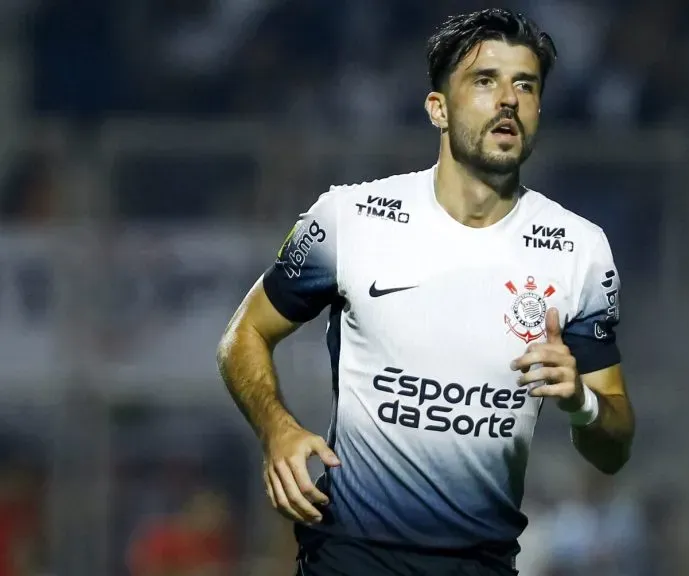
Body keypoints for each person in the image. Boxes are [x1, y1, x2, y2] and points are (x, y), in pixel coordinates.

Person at [216, 8, 635, 576]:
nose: (507, 99)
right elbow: (244, 334)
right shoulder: (350, 218)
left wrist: (581, 404)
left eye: (525, 85)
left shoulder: (579, 251)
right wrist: (278, 427)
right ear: (438, 107)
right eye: (485, 81)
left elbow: (613, 447)